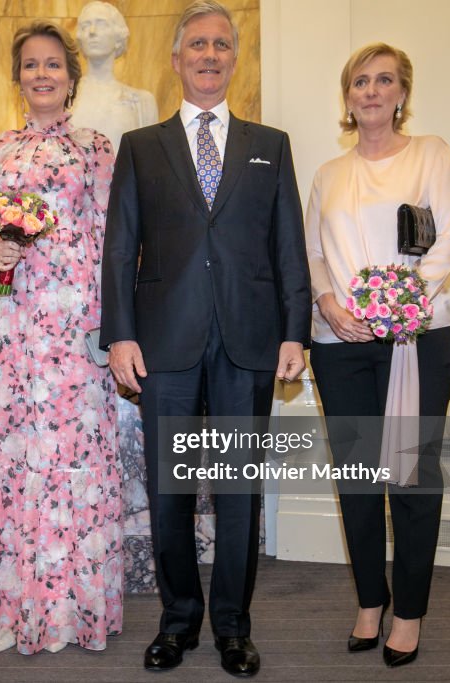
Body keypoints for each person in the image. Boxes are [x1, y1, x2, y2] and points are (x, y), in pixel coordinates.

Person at [100, 0, 310, 677]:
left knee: (239, 492)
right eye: (198, 45)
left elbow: (289, 248)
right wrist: (120, 337)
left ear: (234, 58)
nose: (210, 55)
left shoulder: (269, 146)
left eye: (222, 44)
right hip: (165, 345)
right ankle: (178, 620)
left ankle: (232, 626)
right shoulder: (141, 147)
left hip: (249, 342)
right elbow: (119, 249)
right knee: (171, 493)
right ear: (176, 59)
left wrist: (295, 330)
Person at [0, 20, 122, 655]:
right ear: (16, 78)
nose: (41, 74)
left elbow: (111, 246)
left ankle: (67, 611)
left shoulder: (97, 149)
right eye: (29, 65)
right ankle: (3, 606)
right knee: (7, 464)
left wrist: (111, 327)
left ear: (70, 77)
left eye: (52, 64)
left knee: (66, 464)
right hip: (7, 335)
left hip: (72, 336)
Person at [304, 43, 450, 668]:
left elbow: (448, 233)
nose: (371, 91)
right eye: (360, 81)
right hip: (339, 343)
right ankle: (371, 601)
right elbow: (313, 249)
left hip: (414, 342)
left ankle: (410, 612)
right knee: (359, 481)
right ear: (348, 96)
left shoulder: (432, 154)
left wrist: (403, 300)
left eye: (384, 81)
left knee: (411, 478)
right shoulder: (329, 173)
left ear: (401, 93)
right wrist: (327, 302)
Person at [69, 1, 158, 153]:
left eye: (101, 24)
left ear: (118, 37)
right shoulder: (65, 97)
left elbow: (149, 162)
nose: (92, 31)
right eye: (85, 26)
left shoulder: (142, 102)